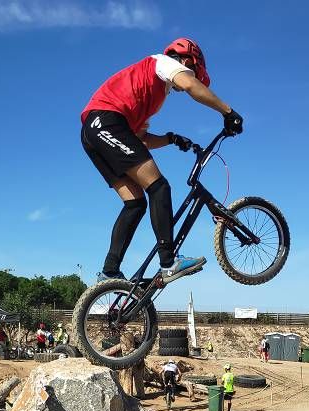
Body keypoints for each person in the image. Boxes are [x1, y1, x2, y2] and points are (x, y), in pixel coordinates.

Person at [81, 38, 243, 284]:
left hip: (95, 133)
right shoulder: (163, 62)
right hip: (106, 122)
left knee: (135, 203)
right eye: (194, 72)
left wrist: (171, 139)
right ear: (188, 61)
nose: (191, 77)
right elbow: (190, 85)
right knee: (159, 187)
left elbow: (139, 139)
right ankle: (168, 262)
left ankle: (109, 271)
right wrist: (228, 112)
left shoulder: (151, 93)